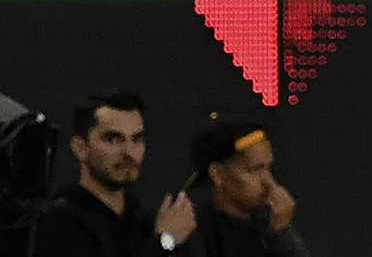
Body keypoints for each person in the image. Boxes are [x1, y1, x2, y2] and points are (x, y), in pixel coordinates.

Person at [34, 90, 199, 257]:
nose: (129, 152)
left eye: (137, 139)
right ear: (80, 148)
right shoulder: (60, 221)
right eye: (113, 139)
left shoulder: (146, 218)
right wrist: (166, 241)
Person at [189, 114, 310, 257]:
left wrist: (281, 234)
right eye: (255, 170)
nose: (270, 183)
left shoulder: (268, 227)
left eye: (268, 168)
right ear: (218, 174)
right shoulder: (192, 233)